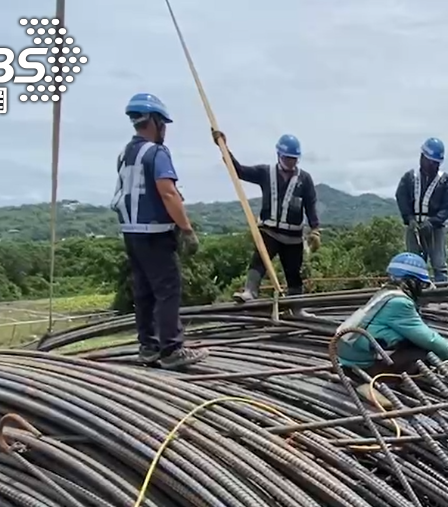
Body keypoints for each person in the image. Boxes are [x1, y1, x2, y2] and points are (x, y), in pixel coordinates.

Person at [112, 93, 207, 369]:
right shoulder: (156, 152)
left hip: (132, 233)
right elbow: (167, 192)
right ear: (154, 122)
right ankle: (172, 349)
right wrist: (186, 229)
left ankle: (148, 347)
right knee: (167, 289)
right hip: (155, 233)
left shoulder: (125, 154)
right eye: (163, 123)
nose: (165, 129)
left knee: (144, 291)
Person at [334, 252, 448, 406]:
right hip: (362, 364)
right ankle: (378, 384)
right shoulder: (399, 303)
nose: (422, 289)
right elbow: (428, 339)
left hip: (348, 359)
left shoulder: (386, 293)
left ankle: (368, 379)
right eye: (421, 284)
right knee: (421, 353)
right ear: (411, 282)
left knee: (407, 344)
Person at [210, 130, 321, 302]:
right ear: (279, 155)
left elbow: (310, 204)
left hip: (293, 237)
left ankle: (297, 307)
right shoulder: (265, 172)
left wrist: (315, 229)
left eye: (294, 159)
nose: (291, 163)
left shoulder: (304, 179)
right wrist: (224, 148)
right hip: (270, 231)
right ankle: (250, 292)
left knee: (294, 273)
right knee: (259, 261)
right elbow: (239, 171)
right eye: (287, 158)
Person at [396, 138, 448, 283]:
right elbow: (401, 196)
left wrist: (433, 221)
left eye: (435, 163)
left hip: (434, 228)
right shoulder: (410, 177)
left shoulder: (445, 181)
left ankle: (442, 295)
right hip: (414, 226)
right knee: (414, 265)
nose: (432, 165)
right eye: (429, 161)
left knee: (439, 264)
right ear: (422, 157)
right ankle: (416, 293)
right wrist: (409, 218)